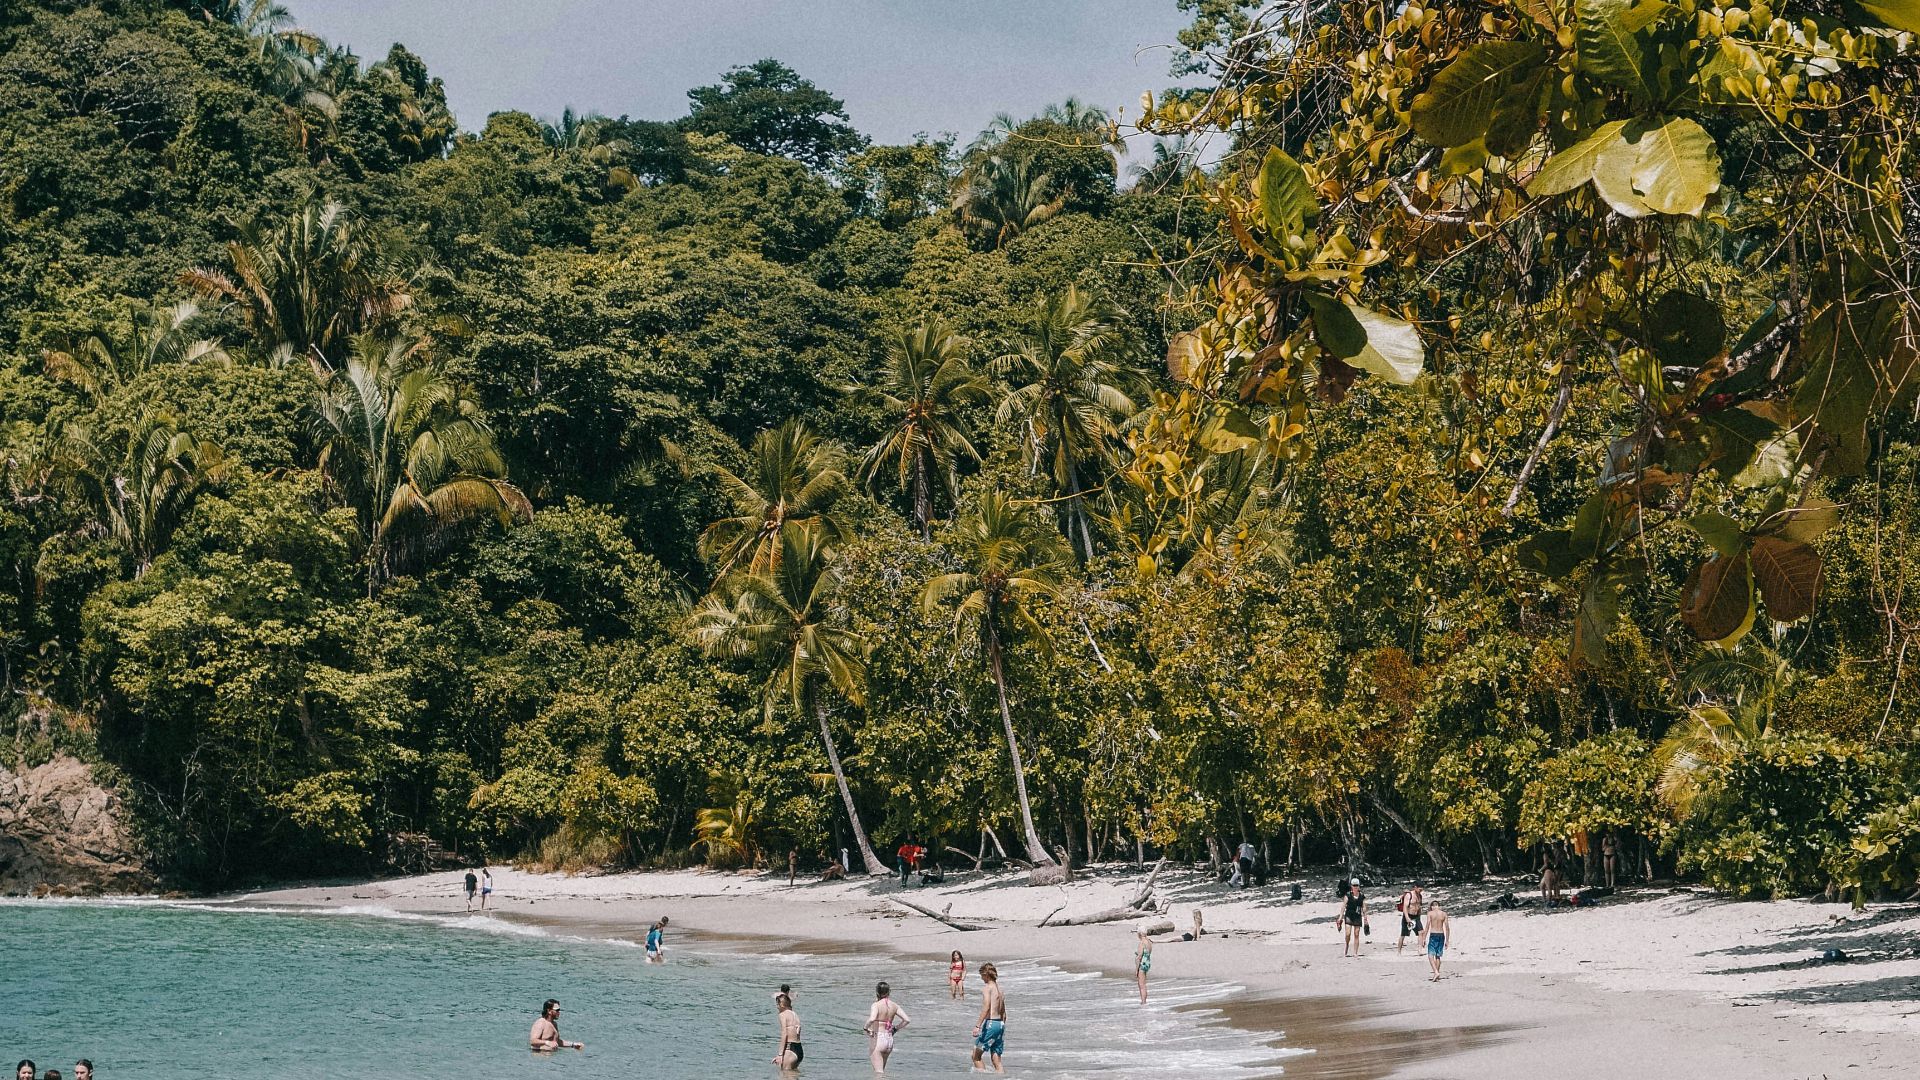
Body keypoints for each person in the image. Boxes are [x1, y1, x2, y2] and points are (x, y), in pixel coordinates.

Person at [864, 981, 910, 1074]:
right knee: (882, 1071)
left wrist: (865, 1028)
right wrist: (895, 1028)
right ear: (889, 992)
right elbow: (907, 1020)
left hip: (878, 1039)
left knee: (879, 1073)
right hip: (889, 1040)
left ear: (877, 992)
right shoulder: (894, 1005)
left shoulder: (876, 1005)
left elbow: (872, 1019)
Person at [971, 962, 1006, 1073]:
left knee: (976, 1056)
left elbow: (986, 1007)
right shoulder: (1000, 990)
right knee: (996, 1059)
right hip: (1000, 1024)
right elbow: (1004, 1013)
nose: (982, 979)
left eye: (982, 976)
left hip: (991, 1024)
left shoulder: (987, 988)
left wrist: (978, 1026)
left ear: (986, 975)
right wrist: (1001, 1028)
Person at [1337, 878, 1369, 956]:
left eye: (1356, 885)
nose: (1355, 887)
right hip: (1349, 916)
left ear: (1359, 886)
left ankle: (1355, 952)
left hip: (1357, 916)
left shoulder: (1361, 896)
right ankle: (1347, 945)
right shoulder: (1348, 895)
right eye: (1354, 885)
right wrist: (1340, 917)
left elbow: (1364, 907)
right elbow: (1343, 906)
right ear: (1351, 886)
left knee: (1356, 934)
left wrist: (1365, 918)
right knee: (1348, 934)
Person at [1423, 899, 1453, 981]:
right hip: (1441, 934)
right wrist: (1447, 940)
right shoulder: (1444, 914)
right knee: (1438, 956)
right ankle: (1437, 975)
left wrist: (1424, 938)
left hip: (1433, 934)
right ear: (1438, 906)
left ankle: (1436, 972)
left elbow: (1427, 926)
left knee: (1430, 955)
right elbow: (1447, 928)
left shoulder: (1430, 913)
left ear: (1432, 906)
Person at [772, 991, 804, 1070]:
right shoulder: (794, 1014)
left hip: (790, 1048)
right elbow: (798, 1031)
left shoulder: (782, 1015)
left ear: (782, 1005)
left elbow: (784, 1034)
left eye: (777, 1004)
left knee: (784, 1074)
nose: (777, 1007)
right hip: (799, 1050)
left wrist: (780, 1055)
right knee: (794, 1074)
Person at [1396, 883, 1426, 954]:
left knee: (1421, 932)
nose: (1420, 891)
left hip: (1416, 916)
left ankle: (1419, 950)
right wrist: (1407, 918)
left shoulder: (1420, 896)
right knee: (1403, 934)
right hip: (1408, 915)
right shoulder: (1409, 895)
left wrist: (1419, 916)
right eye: (1419, 889)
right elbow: (1405, 907)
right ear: (1415, 887)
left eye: (1421, 890)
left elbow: (1419, 907)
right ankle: (1399, 951)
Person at [1134, 928, 1153, 1004]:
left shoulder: (1142, 942)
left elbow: (1139, 957)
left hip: (1142, 963)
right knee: (1143, 984)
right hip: (1147, 962)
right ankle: (1144, 1001)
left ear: (1140, 934)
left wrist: (1136, 969)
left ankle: (1143, 1002)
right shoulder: (1149, 942)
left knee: (1141, 984)